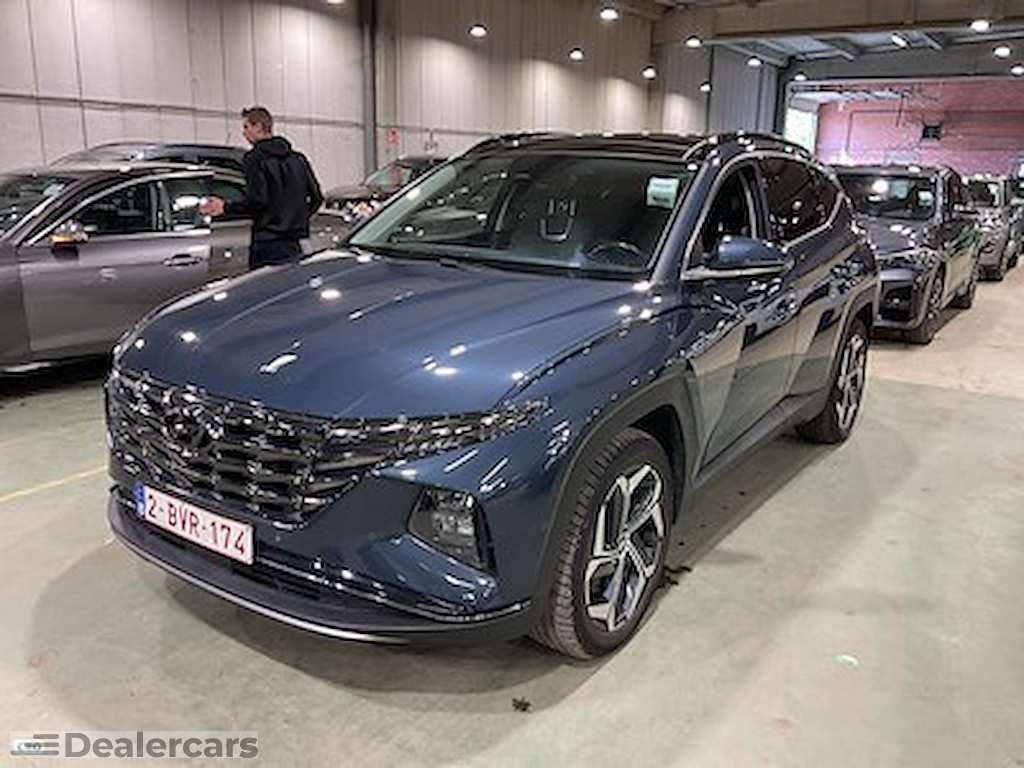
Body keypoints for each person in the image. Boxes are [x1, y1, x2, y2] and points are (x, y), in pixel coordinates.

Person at [200, 106, 323, 269]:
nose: (244, 133)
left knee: (265, 284)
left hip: (267, 243)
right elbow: (317, 198)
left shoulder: (254, 159)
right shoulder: (298, 159)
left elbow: (258, 201)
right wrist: (296, 219)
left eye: (246, 127)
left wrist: (225, 207)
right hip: (297, 242)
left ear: (258, 126)